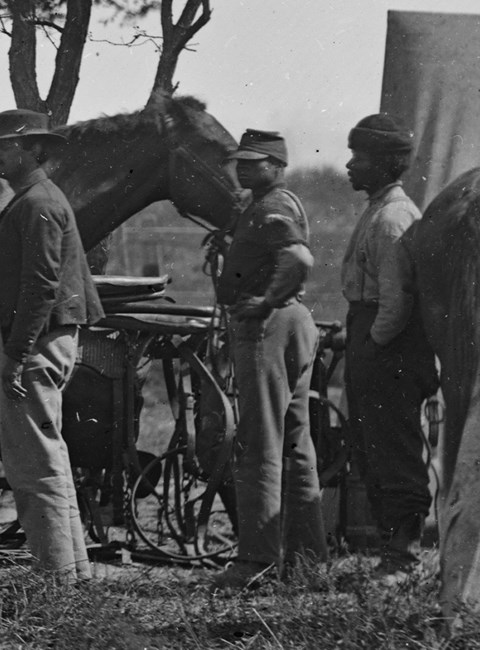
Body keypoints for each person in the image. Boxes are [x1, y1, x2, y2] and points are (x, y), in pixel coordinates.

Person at [211, 129, 328, 591]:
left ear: (276, 165)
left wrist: (263, 302)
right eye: (239, 160)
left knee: (259, 443)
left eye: (253, 161)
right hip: (293, 321)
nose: (242, 167)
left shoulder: (271, 206)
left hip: (270, 325)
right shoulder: (279, 202)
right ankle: (307, 562)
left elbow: (298, 257)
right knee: (296, 444)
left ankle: (255, 562)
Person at [0, 109, 104, 580]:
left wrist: (14, 355)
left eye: (3, 147)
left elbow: (40, 287)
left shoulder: (37, 202)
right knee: (48, 461)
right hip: (45, 341)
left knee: (33, 468)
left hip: (35, 346)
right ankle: (71, 574)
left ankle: (55, 585)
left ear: (28, 150)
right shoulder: (37, 198)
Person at [342, 113, 438, 580]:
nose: (349, 166)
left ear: (383, 164)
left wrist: (372, 346)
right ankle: (390, 549)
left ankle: (404, 554)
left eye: (359, 158)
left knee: (393, 446)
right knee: (372, 444)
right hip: (373, 335)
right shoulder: (380, 209)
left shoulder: (392, 219)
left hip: (390, 344)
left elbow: (396, 301)